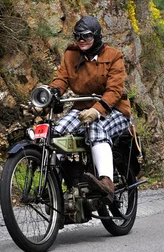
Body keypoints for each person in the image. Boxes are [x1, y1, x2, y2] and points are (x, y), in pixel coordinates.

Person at [49, 16, 131, 204]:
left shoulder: (113, 56)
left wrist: (97, 110)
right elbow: (62, 78)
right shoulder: (71, 54)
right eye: (78, 36)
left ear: (96, 36)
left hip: (114, 109)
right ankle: (56, 183)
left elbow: (115, 90)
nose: (81, 40)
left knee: (96, 128)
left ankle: (106, 182)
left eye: (86, 36)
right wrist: (53, 92)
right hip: (83, 108)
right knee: (55, 134)